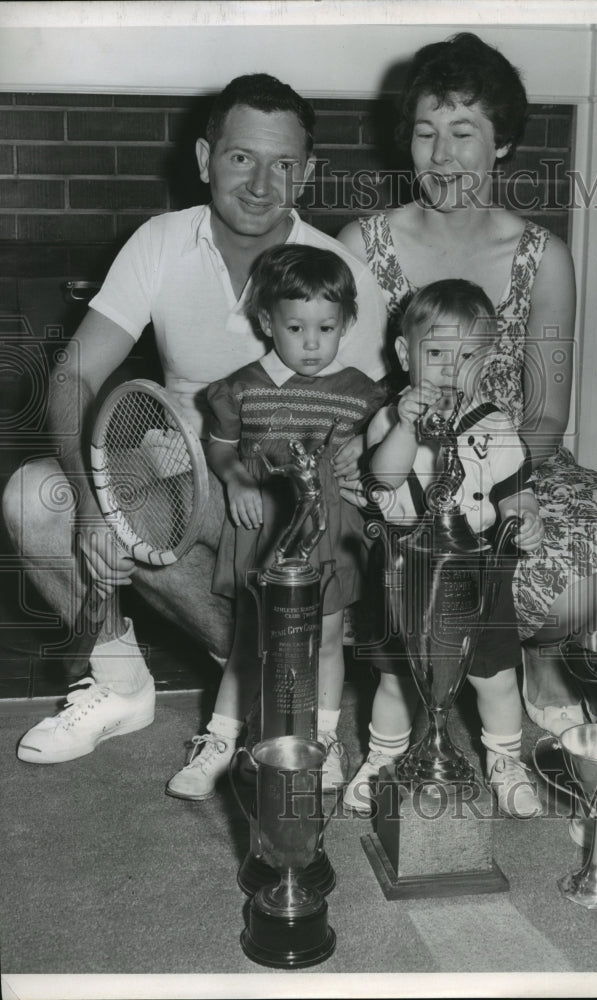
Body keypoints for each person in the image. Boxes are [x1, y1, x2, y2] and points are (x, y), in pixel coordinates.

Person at [6, 73, 389, 766]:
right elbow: (73, 373)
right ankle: (124, 682)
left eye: (283, 164)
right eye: (242, 158)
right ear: (207, 158)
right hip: (172, 461)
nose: (261, 183)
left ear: (307, 175)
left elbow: (369, 418)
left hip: (278, 493)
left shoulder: (341, 273)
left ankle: (264, 669)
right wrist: (93, 504)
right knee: (35, 498)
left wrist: (358, 461)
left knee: (172, 512)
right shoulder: (160, 241)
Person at [338, 32, 597, 738]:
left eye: (464, 132)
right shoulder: (361, 245)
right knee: (438, 561)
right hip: (397, 467)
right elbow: (339, 387)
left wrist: (493, 476)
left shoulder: (542, 257)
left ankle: (535, 649)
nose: (442, 154)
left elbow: (548, 415)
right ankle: (434, 675)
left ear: (502, 145)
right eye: (426, 132)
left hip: (511, 459)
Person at [166, 244, 386, 799]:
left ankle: (325, 739)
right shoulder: (240, 388)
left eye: (327, 327)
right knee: (250, 637)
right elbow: (219, 450)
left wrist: (366, 453)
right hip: (265, 527)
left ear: (346, 324)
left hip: (330, 530)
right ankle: (221, 738)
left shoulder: (360, 394)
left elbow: (385, 453)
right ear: (267, 322)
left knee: (330, 637)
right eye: (295, 327)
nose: (312, 344)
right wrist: (236, 479)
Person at [343, 279, 544, 819]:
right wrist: (407, 426)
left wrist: (525, 519)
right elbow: (382, 479)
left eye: (468, 357)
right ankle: (383, 757)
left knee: (495, 676)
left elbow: (516, 491)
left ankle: (504, 759)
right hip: (406, 567)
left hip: (477, 567)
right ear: (405, 354)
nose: (450, 371)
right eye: (435, 354)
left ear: (490, 363)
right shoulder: (388, 420)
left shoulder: (496, 426)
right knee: (395, 674)